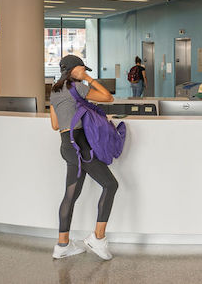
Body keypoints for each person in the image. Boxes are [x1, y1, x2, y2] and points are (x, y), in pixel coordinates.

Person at [49, 55, 118, 260]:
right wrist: (88, 78)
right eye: (82, 69)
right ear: (74, 70)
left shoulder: (54, 90)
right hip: (80, 145)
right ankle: (97, 238)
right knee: (110, 185)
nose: (84, 72)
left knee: (71, 195)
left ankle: (62, 245)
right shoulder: (78, 87)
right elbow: (108, 97)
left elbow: (54, 125)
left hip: (67, 145)